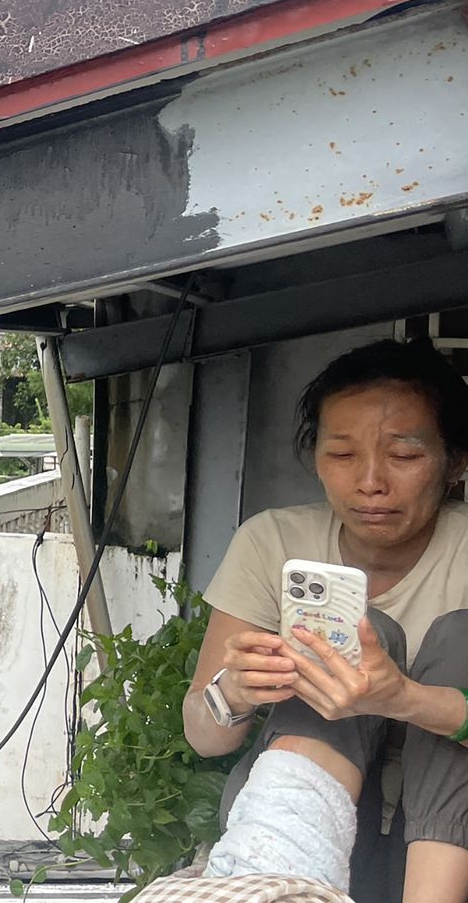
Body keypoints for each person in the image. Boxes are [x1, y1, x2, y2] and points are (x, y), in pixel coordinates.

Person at [185, 338, 468, 900]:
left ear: (455, 461)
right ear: (315, 458)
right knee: (347, 642)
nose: (370, 482)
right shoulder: (273, 541)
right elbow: (204, 736)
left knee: (458, 639)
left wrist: (404, 698)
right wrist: (236, 693)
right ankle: (284, 872)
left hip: (449, 841)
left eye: (405, 456)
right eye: (342, 454)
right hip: (320, 817)